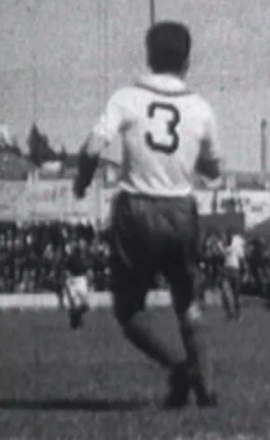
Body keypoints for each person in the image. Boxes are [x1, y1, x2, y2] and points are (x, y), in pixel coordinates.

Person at [73, 21, 221, 409]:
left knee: (129, 310)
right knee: (188, 303)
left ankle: (177, 367)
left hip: (136, 211)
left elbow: (90, 149)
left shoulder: (126, 97)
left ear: (148, 56)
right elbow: (214, 168)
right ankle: (206, 388)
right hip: (181, 212)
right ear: (188, 60)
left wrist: (81, 183)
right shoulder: (200, 107)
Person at [61, 239, 93, 330]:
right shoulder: (70, 258)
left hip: (81, 280)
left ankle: (76, 318)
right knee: (71, 305)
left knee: (86, 304)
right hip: (72, 281)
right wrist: (68, 275)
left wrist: (89, 275)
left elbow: (88, 269)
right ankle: (75, 323)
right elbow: (64, 269)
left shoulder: (85, 257)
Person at [220, 230, 246, 321]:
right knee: (224, 293)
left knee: (236, 294)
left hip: (235, 270)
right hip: (226, 270)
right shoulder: (222, 246)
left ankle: (238, 314)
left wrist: (244, 271)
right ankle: (229, 313)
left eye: (225, 238)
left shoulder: (236, 245)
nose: (224, 240)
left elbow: (241, 258)